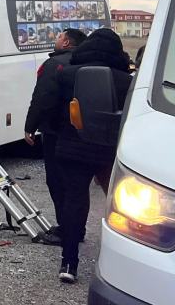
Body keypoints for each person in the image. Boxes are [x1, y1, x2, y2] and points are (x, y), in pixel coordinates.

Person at [46, 28, 132, 284]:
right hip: (109, 150)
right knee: (121, 205)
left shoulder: (67, 75)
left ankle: (69, 262)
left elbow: (53, 109)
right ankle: (125, 263)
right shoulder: (127, 82)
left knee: (75, 203)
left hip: (73, 148)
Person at [23, 27, 87, 246]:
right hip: (81, 132)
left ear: (67, 42)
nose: (57, 39)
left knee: (58, 181)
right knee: (77, 184)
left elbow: (43, 98)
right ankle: (77, 228)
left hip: (56, 132)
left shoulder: (54, 65)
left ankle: (66, 230)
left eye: (60, 37)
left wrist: (30, 126)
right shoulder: (86, 64)